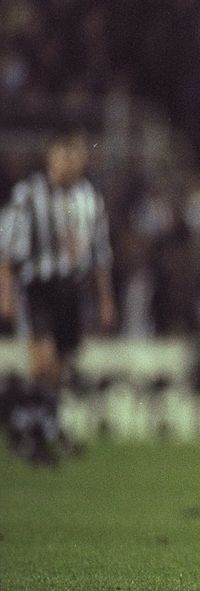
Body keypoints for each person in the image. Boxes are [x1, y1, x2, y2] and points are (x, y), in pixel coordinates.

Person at [0, 125, 117, 464]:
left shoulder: (90, 197)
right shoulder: (28, 195)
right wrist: (5, 295)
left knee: (59, 368)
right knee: (43, 362)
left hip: (72, 289)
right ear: (52, 155)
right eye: (65, 153)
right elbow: (7, 253)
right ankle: (38, 431)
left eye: (77, 153)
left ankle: (31, 427)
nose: (72, 161)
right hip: (38, 287)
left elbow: (100, 256)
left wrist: (106, 300)